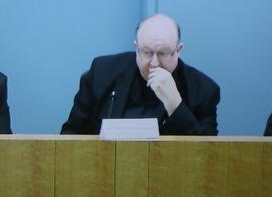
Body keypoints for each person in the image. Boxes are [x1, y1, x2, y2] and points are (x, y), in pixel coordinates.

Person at [61, 14, 220, 135]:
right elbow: (70, 134)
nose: (155, 63)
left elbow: (207, 155)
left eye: (163, 53)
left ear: (178, 51)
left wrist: (175, 104)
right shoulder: (102, 73)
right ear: (136, 48)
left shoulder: (204, 91)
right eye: (147, 52)